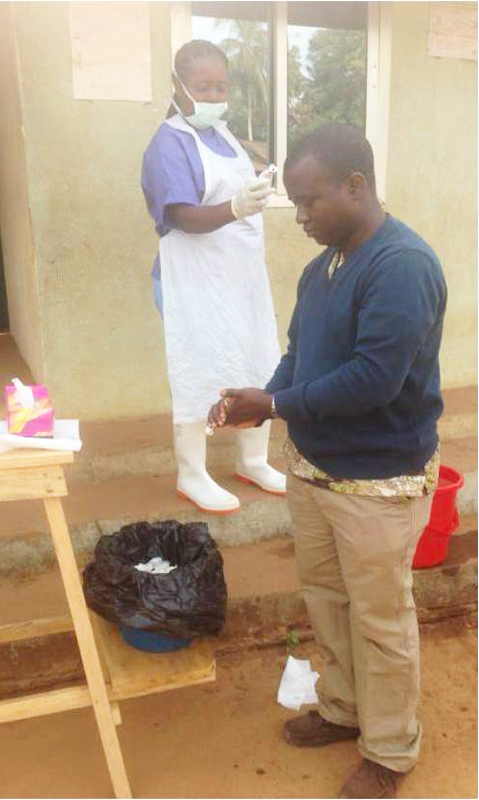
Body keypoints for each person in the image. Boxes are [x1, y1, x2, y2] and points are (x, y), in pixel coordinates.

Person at [208, 122, 447, 798]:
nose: (302, 217)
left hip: (377, 481)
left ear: (356, 186)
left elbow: (374, 380)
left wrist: (278, 404)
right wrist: (263, 401)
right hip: (314, 471)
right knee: (327, 602)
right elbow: (299, 356)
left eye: (311, 200)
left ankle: (390, 750)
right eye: (296, 203)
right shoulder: (322, 270)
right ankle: (343, 709)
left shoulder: (402, 266)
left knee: (380, 620)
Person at [141, 39, 286, 514]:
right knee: (197, 370)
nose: (213, 96)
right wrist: (236, 207)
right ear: (178, 86)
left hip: (239, 280)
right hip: (191, 283)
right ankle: (192, 473)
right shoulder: (168, 143)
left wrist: (255, 191)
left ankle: (253, 460)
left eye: (221, 87)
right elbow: (181, 215)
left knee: (255, 361)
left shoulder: (224, 136)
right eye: (203, 87)